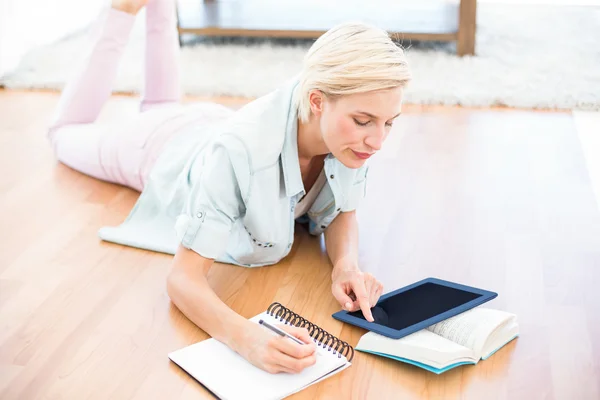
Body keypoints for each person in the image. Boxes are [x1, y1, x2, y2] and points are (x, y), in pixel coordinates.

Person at [46, 0, 411, 375]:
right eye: (364, 121)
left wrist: (345, 267)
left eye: (389, 123)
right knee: (63, 135)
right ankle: (123, 10)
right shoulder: (241, 152)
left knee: (161, 103)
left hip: (211, 125)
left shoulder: (346, 137)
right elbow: (182, 279)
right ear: (317, 101)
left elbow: (342, 211)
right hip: (157, 147)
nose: (378, 141)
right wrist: (245, 337)